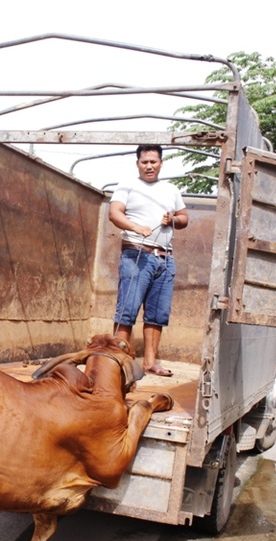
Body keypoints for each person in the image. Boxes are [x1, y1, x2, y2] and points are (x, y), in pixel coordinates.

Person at [108, 144, 189, 377]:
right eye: (145, 162)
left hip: (165, 259)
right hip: (136, 255)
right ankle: (117, 362)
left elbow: (184, 218)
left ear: (161, 163)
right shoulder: (127, 185)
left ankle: (150, 363)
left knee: (157, 315)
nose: (149, 166)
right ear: (138, 164)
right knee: (127, 311)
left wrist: (172, 219)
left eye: (153, 161)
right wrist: (136, 227)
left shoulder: (171, 189)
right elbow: (114, 213)